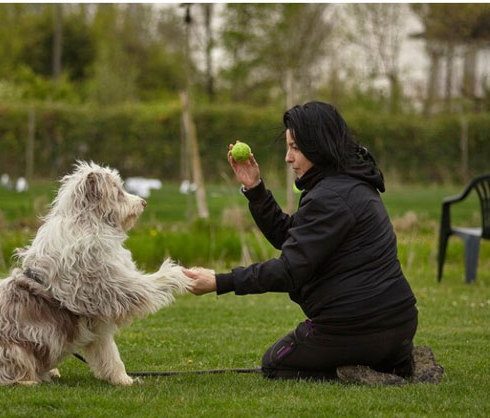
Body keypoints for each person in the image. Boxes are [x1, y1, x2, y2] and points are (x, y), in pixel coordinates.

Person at [183, 101, 443, 385]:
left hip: (359, 328)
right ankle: (402, 362)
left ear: (317, 145)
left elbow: (290, 270)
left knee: (275, 363)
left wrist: (220, 281)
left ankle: (360, 371)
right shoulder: (349, 182)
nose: (288, 157)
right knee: (309, 354)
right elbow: (291, 238)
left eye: (295, 147)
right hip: (399, 324)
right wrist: (255, 189)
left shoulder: (331, 196)